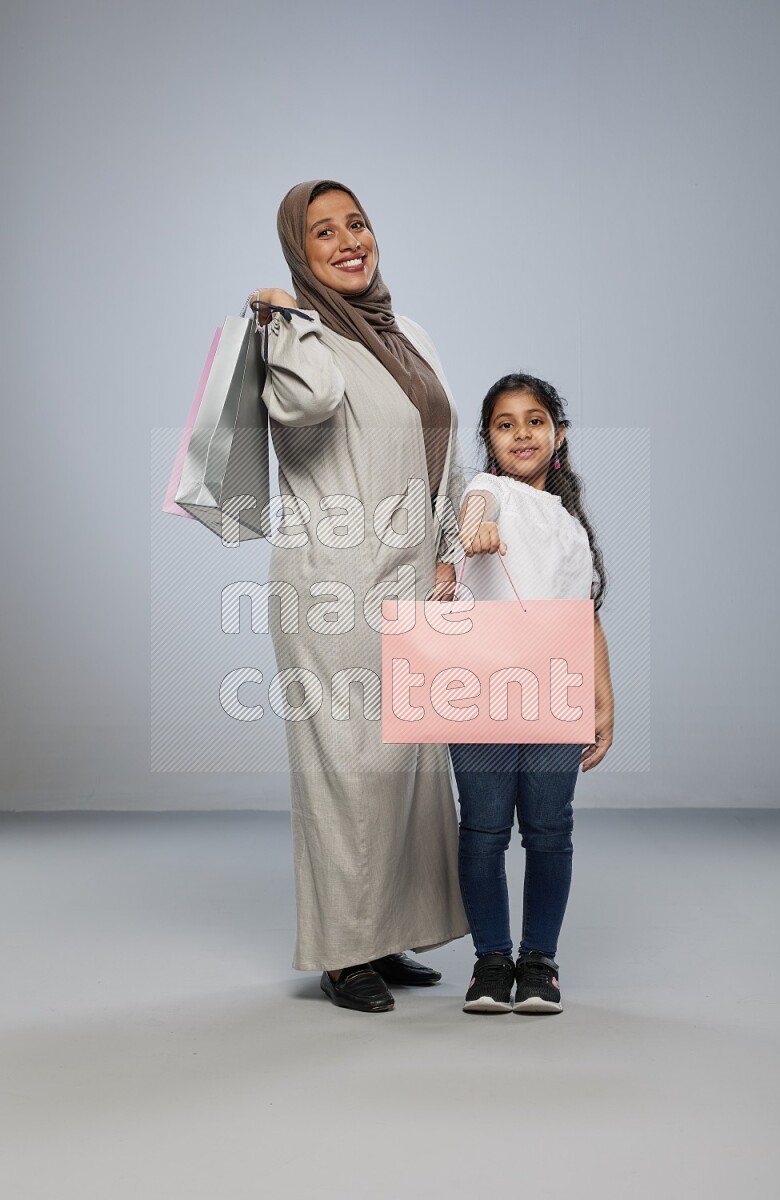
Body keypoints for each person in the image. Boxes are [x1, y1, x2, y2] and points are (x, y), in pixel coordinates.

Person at [249, 179, 470, 1013]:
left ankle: (388, 933)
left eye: (358, 224)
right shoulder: (291, 338)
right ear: (296, 255)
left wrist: (450, 550)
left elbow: (443, 456)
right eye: (322, 233)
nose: (348, 241)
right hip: (331, 587)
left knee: (409, 769)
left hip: (411, 577)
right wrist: (280, 314)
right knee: (348, 768)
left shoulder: (406, 333)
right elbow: (308, 405)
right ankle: (345, 955)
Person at [449, 373, 614, 1014]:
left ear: (559, 434)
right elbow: (476, 509)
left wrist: (604, 700)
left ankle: (538, 961)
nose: (522, 433)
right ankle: (491, 962)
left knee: (550, 831)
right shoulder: (487, 489)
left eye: (535, 420)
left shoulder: (571, 525)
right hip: (482, 693)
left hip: (556, 692)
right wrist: (475, 526)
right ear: (489, 441)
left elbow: (586, 617)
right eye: (505, 423)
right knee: (484, 832)